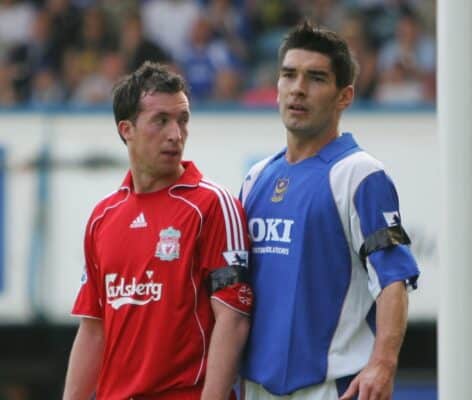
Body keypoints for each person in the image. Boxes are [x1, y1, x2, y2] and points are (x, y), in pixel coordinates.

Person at [239, 21, 420, 400]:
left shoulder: (360, 174)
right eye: (289, 75)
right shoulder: (256, 178)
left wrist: (383, 364)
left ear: (345, 96)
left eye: (316, 78)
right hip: (255, 386)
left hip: (330, 388)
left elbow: (393, 279)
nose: (298, 89)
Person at [62, 61, 252, 400]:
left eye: (182, 120)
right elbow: (93, 329)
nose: (175, 134)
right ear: (126, 129)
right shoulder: (102, 217)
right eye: (160, 120)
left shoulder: (212, 205)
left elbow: (233, 318)